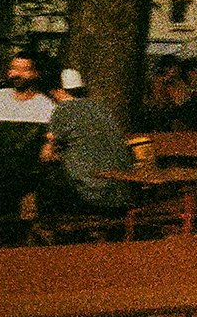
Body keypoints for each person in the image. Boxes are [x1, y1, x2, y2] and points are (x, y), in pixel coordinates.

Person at [40, 69, 132, 215]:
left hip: (93, 191)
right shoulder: (100, 107)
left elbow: (46, 155)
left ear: (57, 91)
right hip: (122, 188)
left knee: (46, 181)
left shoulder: (63, 110)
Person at [0, 51, 57, 125]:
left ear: (35, 73)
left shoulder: (45, 104)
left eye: (24, 69)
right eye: (14, 68)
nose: (18, 74)